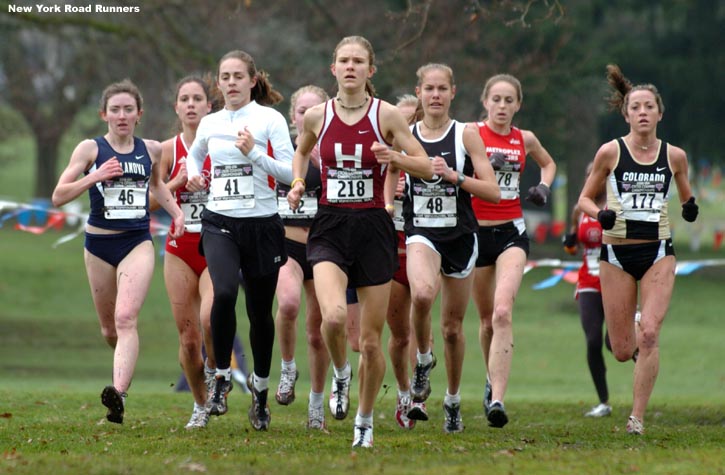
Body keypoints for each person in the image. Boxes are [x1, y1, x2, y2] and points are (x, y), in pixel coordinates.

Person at [287, 35, 432, 448]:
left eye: (358, 62)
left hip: (373, 228)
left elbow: (424, 165)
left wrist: (397, 159)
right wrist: (299, 182)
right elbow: (301, 153)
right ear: (333, 68)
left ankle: (364, 423)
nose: (350, 67)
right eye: (343, 61)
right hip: (331, 225)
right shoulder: (316, 116)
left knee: (370, 341)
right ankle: (340, 374)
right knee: (332, 318)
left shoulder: (386, 116)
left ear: (371, 70)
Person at [51, 79, 185, 424]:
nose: (122, 116)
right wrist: (94, 177)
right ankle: (123, 365)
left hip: (136, 242)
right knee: (110, 330)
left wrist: (177, 214)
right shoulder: (89, 150)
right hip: (98, 245)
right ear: (104, 114)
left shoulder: (151, 149)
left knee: (126, 318)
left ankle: (118, 396)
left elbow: (156, 186)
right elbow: (59, 196)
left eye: (128, 109)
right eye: (115, 110)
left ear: (139, 114)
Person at [578, 64, 698, 435]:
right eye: (636, 107)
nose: (643, 112)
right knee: (620, 349)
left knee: (650, 335)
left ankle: (637, 419)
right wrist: (601, 214)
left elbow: (685, 194)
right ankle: (633, 329)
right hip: (615, 255)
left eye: (649, 106)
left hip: (658, 252)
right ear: (626, 113)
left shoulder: (674, 156)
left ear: (660, 113)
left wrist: (690, 206)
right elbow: (583, 199)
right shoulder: (609, 153)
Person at [185, 50, 295, 432]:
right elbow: (193, 156)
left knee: (260, 313)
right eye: (224, 76)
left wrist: (255, 154)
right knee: (225, 293)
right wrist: (195, 175)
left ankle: (261, 394)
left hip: (262, 225)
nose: (230, 82)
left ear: (252, 80)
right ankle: (220, 377)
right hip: (220, 223)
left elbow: (289, 170)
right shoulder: (211, 122)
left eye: (237, 76)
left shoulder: (270, 119)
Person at [389, 63, 500, 434]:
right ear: (418, 93)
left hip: (460, 237)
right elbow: (391, 169)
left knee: (452, 328)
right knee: (421, 294)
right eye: (428, 89)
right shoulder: (407, 135)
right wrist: (390, 203)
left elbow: (494, 191)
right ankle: (423, 359)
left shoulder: (466, 135)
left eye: (442, 89)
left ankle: (452, 401)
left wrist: (456, 177)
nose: (435, 95)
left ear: (453, 93)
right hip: (421, 231)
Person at [470, 73, 557, 428]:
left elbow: (549, 164)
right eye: (497, 99)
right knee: (487, 320)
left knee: (503, 311)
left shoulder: (526, 138)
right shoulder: (470, 134)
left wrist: (543, 186)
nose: (502, 106)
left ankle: (499, 400)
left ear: (518, 104)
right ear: (485, 102)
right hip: (474, 233)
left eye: (509, 100)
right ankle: (491, 379)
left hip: (511, 233)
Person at [148, 75, 220, 429]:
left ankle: (215, 372)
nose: (191, 104)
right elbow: (148, 202)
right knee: (189, 339)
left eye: (197, 99)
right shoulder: (164, 150)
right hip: (179, 249)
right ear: (176, 107)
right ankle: (200, 403)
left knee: (210, 320)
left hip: (216, 247)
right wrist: (174, 184)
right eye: (184, 99)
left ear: (209, 106)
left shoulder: (221, 146)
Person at [272, 84, 330, 430]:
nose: (307, 116)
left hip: (325, 248)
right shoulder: (282, 154)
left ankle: (316, 407)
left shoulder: (337, 155)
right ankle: (288, 368)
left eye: (315, 110)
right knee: (289, 304)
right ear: (292, 117)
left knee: (317, 332)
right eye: (301, 110)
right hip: (287, 245)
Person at [563, 162, 612, 418]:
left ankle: (642, 390)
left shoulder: (616, 206)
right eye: (588, 174)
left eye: (598, 175)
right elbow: (572, 244)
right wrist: (569, 242)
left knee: (615, 344)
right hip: (588, 282)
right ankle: (603, 401)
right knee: (593, 340)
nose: (592, 179)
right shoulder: (578, 210)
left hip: (616, 281)